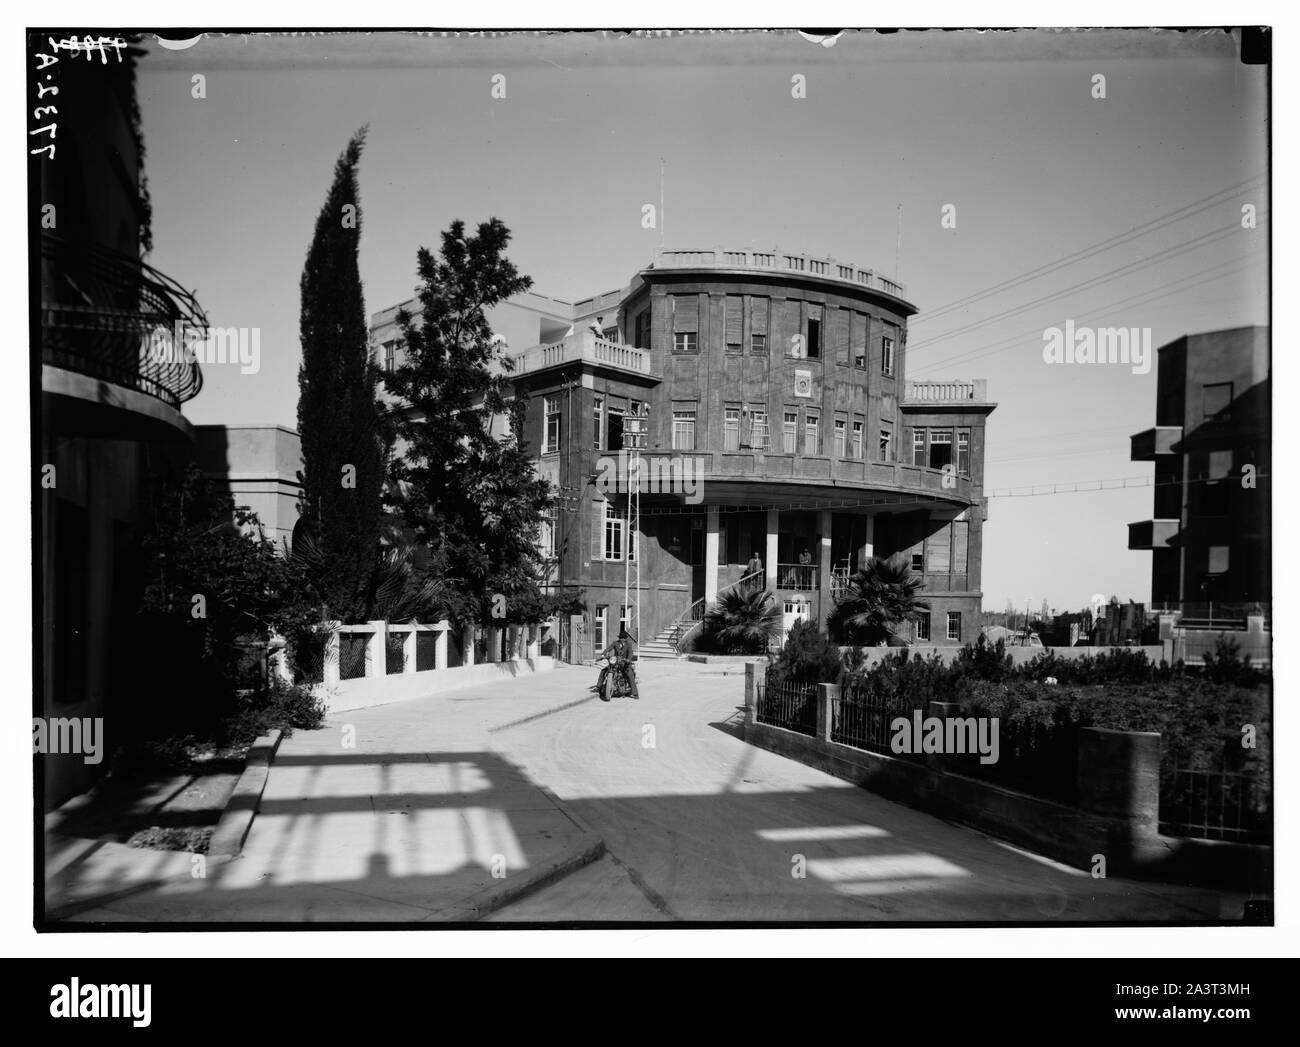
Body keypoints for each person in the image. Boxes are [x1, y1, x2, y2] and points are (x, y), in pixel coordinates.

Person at [599, 626, 639, 700]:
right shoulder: (615, 643)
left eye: (623, 638)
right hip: (615, 661)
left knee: (629, 674)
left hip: (625, 663)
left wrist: (628, 659)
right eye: (620, 638)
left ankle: (635, 693)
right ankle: (599, 686)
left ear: (625, 639)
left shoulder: (628, 644)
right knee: (604, 670)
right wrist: (603, 654)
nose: (622, 639)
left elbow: (630, 653)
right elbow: (608, 648)